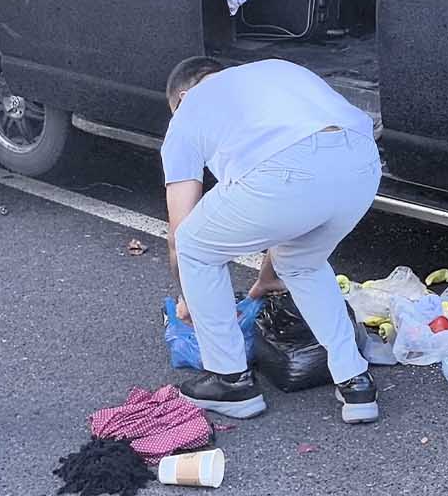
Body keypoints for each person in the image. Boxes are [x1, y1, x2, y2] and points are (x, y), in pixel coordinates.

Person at [162, 56, 384, 424]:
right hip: (362, 164)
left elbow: (180, 228)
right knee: (303, 263)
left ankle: (231, 382)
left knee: (194, 247)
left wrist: (191, 297)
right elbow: (286, 215)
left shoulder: (191, 108)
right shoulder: (274, 72)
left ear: (182, 96)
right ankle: (355, 382)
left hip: (286, 170)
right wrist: (266, 280)